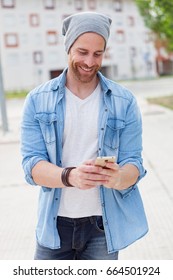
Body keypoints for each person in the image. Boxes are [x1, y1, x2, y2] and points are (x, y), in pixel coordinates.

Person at [21, 11, 148, 260]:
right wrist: (72, 176)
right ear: (68, 48)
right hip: (54, 226)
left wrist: (118, 177)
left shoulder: (125, 101)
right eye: (82, 52)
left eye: (97, 54)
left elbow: (135, 163)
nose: (90, 61)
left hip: (102, 227)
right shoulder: (38, 100)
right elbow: (31, 165)